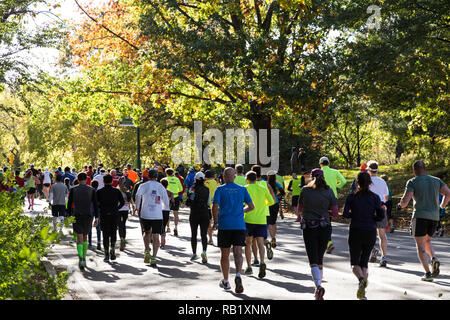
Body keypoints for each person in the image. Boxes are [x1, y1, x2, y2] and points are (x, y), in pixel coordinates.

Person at [399, 160, 450, 281]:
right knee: (427, 240)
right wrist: (441, 206)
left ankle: (427, 274)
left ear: (414, 170)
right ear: (425, 169)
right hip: (434, 217)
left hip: (420, 216)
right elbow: (448, 193)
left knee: (420, 245)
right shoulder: (436, 180)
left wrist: (400, 205)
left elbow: (405, 201)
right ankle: (433, 259)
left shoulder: (412, 182)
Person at [342, 171, 385, 300]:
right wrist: (373, 217)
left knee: (354, 263)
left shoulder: (351, 197)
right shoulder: (375, 197)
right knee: (364, 262)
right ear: (370, 183)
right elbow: (381, 215)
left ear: (357, 182)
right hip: (370, 231)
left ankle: (361, 280)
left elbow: (345, 214)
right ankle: (363, 293)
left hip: (356, 230)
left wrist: (353, 215)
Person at [297, 168, 338, 300]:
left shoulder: (305, 190)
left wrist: (308, 211)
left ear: (311, 177)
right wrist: (326, 212)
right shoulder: (329, 191)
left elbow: (299, 210)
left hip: (309, 227)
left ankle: (318, 286)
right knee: (319, 258)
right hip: (325, 226)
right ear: (323, 177)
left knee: (313, 259)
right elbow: (336, 213)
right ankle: (317, 288)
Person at [212, 167, 254, 294]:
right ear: (235, 176)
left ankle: (225, 280)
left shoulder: (219, 189)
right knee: (238, 252)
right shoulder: (242, 189)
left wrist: (215, 221)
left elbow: (215, 207)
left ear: (223, 177)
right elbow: (251, 206)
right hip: (239, 225)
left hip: (225, 225)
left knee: (224, 255)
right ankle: (238, 275)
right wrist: (243, 210)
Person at [135, 169, 170, 267]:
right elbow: (166, 200)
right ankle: (154, 257)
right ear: (157, 177)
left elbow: (138, 195)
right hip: (157, 214)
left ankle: (147, 250)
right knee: (156, 236)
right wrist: (164, 208)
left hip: (145, 213)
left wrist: (137, 207)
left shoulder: (143, 185)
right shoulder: (161, 186)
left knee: (146, 232)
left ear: (148, 176)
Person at [244, 171, 274, 278]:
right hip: (261, 219)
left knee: (248, 243)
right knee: (260, 243)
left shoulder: (245, 188)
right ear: (256, 178)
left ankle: (248, 267)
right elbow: (271, 202)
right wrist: (262, 204)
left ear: (247, 179)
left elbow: (242, 203)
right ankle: (262, 262)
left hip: (249, 218)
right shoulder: (263, 188)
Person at [66, 172, 99, 270]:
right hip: (88, 215)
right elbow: (96, 205)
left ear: (78, 179)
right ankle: (84, 257)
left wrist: (68, 216)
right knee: (85, 237)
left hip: (77, 215)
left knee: (79, 238)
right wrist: (96, 217)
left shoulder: (73, 189)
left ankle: (81, 258)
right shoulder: (92, 190)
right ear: (87, 179)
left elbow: (69, 203)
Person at [319, 156, 347, 254]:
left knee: (320, 220)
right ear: (329, 163)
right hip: (332, 197)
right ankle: (328, 242)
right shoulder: (335, 171)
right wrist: (336, 186)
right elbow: (344, 181)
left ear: (320, 164)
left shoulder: (318, 172)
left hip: (321, 198)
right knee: (328, 221)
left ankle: (326, 242)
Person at [96, 174, 125, 262]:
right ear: (112, 181)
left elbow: (96, 204)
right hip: (114, 213)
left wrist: (100, 209)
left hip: (104, 214)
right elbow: (122, 202)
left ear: (103, 181)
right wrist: (117, 208)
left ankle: (106, 254)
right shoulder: (116, 191)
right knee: (113, 232)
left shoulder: (99, 192)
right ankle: (112, 247)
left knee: (105, 234)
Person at [366, 160, 389, 267]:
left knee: (370, 233)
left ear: (368, 170)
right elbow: (386, 197)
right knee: (382, 234)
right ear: (377, 170)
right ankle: (384, 256)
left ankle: (373, 249)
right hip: (381, 207)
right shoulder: (382, 181)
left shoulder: (367, 181)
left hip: (370, 209)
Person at [187, 171, 211, 263]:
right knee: (203, 234)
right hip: (204, 212)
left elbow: (190, 201)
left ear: (195, 179)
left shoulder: (192, 189)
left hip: (194, 213)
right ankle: (204, 252)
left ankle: (194, 254)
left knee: (194, 234)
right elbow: (208, 202)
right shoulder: (207, 189)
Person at [267, 171, 284, 249]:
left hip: (268, 204)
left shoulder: (266, 184)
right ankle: (274, 237)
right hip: (276, 203)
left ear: (268, 176)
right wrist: (278, 196)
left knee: (269, 222)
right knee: (273, 221)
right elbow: (283, 192)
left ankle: (272, 237)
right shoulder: (277, 183)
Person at [165, 168, 184, 236]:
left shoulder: (165, 179)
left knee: (167, 213)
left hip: (167, 198)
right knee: (176, 214)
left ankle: (168, 227)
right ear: (172, 173)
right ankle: (176, 227)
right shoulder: (177, 179)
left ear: (166, 173)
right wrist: (175, 191)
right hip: (176, 197)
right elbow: (181, 189)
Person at [204, 170, 219, 245]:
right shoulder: (216, 183)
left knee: (208, 223)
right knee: (216, 222)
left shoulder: (204, 183)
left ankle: (210, 239)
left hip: (207, 206)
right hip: (216, 205)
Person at [117, 176, 131, 251]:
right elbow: (129, 200)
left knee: (119, 225)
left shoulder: (116, 190)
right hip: (125, 209)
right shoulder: (126, 190)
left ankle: (122, 239)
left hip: (118, 209)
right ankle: (123, 239)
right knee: (123, 224)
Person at [160, 178, 174, 248]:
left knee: (159, 224)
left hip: (159, 210)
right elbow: (173, 202)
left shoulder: (158, 192)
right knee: (164, 225)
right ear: (167, 185)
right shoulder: (170, 193)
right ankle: (163, 238)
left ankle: (158, 237)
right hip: (166, 210)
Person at [88, 180, 102, 250]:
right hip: (98, 211)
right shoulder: (99, 192)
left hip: (90, 210)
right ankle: (99, 241)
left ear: (91, 184)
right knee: (98, 227)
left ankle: (89, 242)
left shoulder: (89, 192)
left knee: (89, 227)